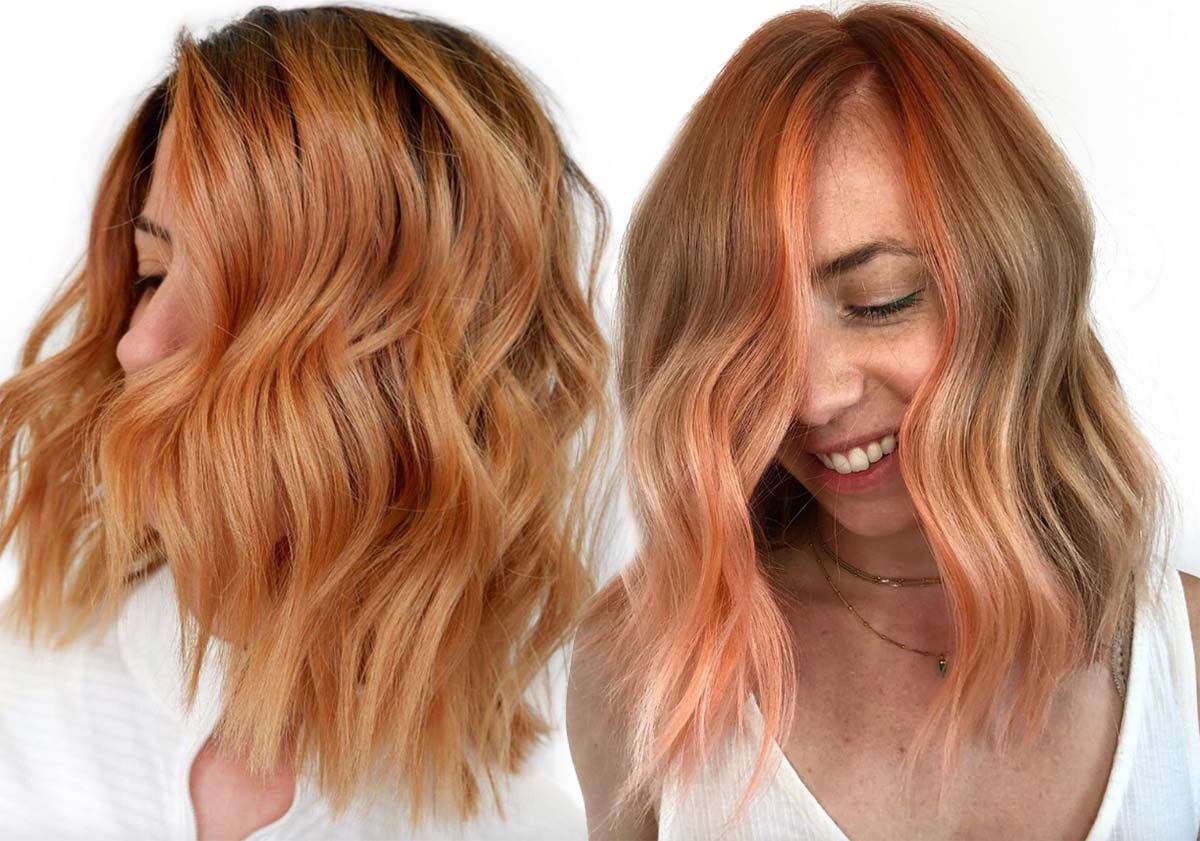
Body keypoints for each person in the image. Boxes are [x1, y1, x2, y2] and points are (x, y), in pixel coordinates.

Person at [567, 3, 1199, 839]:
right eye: (754, 338)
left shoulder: (1181, 655)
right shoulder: (643, 666)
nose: (811, 397)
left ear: (1019, 283)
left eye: (879, 302)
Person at [0, 5, 613, 838]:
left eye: (241, 298)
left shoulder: (522, 827)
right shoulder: (22, 715)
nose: (138, 345)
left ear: (413, 376)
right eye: (152, 273)